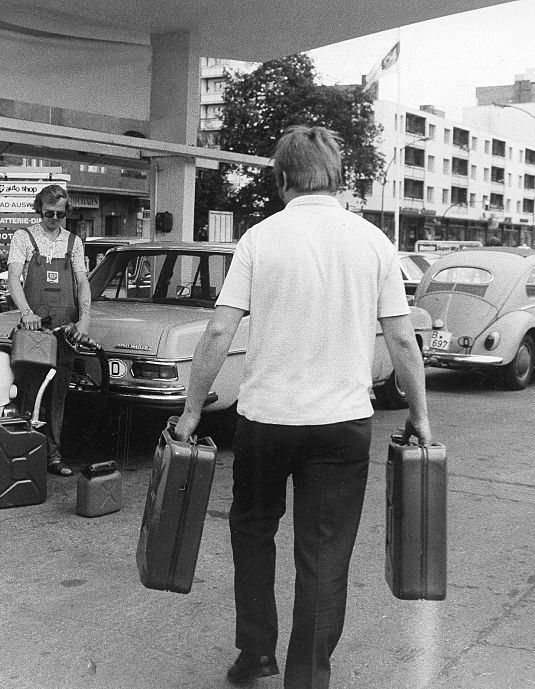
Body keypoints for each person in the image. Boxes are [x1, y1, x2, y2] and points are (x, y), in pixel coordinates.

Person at [174, 126, 431, 689]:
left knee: (252, 532)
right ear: (337, 177)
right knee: (324, 552)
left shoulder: (259, 240)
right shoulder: (373, 243)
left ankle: (255, 652)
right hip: (342, 425)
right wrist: (420, 415)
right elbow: (403, 340)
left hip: (266, 421)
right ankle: (308, 678)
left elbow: (219, 331)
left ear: (282, 179)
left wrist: (193, 411)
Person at [6, 184, 92, 477]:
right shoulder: (24, 238)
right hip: (35, 331)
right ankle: (25, 455)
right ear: (38, 210)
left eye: (59, 213)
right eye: (48, 213)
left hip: (65, 331)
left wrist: (85, 320)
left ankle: (54, 457)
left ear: (66, 212)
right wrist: (26, 312)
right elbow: (14, 280)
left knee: (58, 397)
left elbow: (82, 283)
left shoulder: (74, 243)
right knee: (29, 393)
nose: (53, 218)